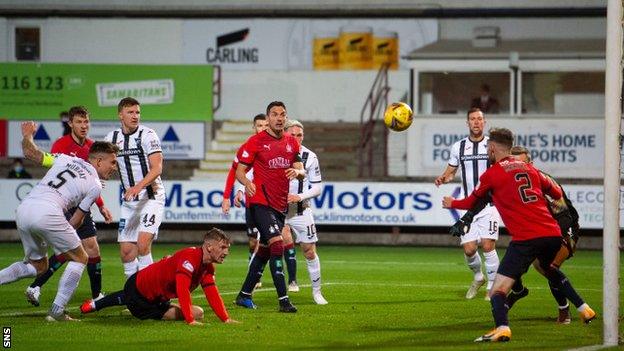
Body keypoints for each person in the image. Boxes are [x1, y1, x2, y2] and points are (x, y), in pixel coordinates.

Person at [442, 128, 596, 342]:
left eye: (488, 147)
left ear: (493, 148)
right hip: (551, 233)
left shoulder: (492, 173)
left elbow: (471, 201)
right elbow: (557, 193)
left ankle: (502, 328)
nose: (487, 150)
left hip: (527, 238)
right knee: (550, 269)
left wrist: (452, 203)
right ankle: (584, 308)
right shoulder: (531, 169)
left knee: (497, 290)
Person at [0, 121, 118, 321]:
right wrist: (61, 237)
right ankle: (56, 312)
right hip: (48, 213)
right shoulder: (95, 184)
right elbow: (76, 221)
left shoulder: (64, 159)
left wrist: (28, 135)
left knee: (39, 267)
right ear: (98, 161)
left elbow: (31, 154)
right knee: (81, 257)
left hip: (24, 209)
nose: (115, 167)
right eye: (112, 162)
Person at [25, 106, 113, 307]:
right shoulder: (61, 145)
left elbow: (93, 184)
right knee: (88, 247)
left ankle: (36, 286)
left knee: (78, 249)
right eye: (79, 122)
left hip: (82, 203)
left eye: (86, 122)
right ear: (70, 124)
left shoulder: (93, 147)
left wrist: (101, 205)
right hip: (65, 203)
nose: (84, 126)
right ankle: (96, 295)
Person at [80, 228, 238, 325]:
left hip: (152, 294)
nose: (226, 252)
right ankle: (103, 305)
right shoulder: (190, 258)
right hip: (142, 298)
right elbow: (182, 289)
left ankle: (95, 305)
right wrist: (190, 320)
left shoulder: (207, 267)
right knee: (196, 313)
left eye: (227, 248)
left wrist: (226, 318)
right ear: (209, 246)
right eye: (223, 247)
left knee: (198, 311)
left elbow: (212, 292)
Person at [233, 101, 305, 313]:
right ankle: (284, 300)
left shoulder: (292, 142)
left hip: (280, 205)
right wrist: (247, 183)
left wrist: (298, 173)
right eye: (275, 114)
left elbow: (300, 169)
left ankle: (244, 295)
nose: (279, 118)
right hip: (260, 203)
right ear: (268, 118)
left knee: (264, 252)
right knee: (276, 245)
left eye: (282, 114)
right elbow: (239, 171)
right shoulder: (255, 141)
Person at [434, 107, 500, 300]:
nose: (476, 122)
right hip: (467, 205)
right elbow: (451, 172)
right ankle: (478, 277)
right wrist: (443, 178)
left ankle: (492, 287)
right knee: (469, 249)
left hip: (489, 204)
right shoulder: (459, 147)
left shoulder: (492, 145)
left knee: (488, 245)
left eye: (479, 119)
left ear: (484, 122)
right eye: (473, 119)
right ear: (468, 123)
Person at [105, 97, 165, 279]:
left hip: (151, 197)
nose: (135, 116)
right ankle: (133, 296)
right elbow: (106, 166)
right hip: (130, 202)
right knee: (126, 251)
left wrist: (138, 187)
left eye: (137, 112)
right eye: (130, 112)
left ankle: (150, 293)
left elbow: (157, 168)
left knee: (143, 243)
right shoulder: (112, 138)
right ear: (120, 115)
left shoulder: (148, 135)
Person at [283, 120, 328, 304]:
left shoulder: (310, 156)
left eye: (299, 135)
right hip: (276, 211)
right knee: (268, 250)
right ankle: (249, 290)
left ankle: (317, 293)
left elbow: (317, 188)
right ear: (285, 134)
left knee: (309, 252)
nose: (296, 138)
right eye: (292, 134)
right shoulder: (274, 151)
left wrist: (299, 197)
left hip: (301, 211)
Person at [221, 114, 268, 264]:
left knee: (276, 240)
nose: (263, 129)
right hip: (253, 201)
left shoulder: (277, 145)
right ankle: (254, 271)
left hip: (272, 201)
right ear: (254, 127)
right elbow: (235, 171)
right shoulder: (247, 147)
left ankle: (287, 278)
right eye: (259, 125)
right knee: (254, 242)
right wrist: (226, 197)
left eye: (265, 125)